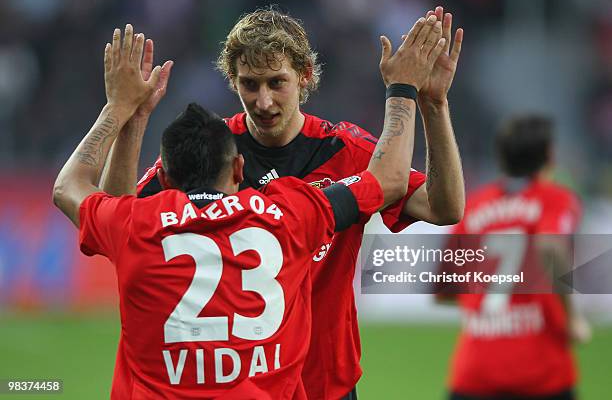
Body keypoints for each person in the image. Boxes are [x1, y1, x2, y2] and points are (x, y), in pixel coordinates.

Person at [53, 20, 446, 399]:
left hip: (319, 382)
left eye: (276, 83)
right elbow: (389, 177)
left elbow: (114, 211)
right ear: (237, 170)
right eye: (249, 84)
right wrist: (405, 90)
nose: (263, 101)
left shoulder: (340, 150)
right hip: (267, 383)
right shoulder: (289, 206)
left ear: (305, 75)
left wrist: (123, 111)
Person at [440, 115, 591, 400]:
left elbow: (445, 287)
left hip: (476, 369)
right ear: (549, 154)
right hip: (541, 369)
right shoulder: (554, 199)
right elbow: (550, 246)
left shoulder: (475, 206)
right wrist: (572, 318)